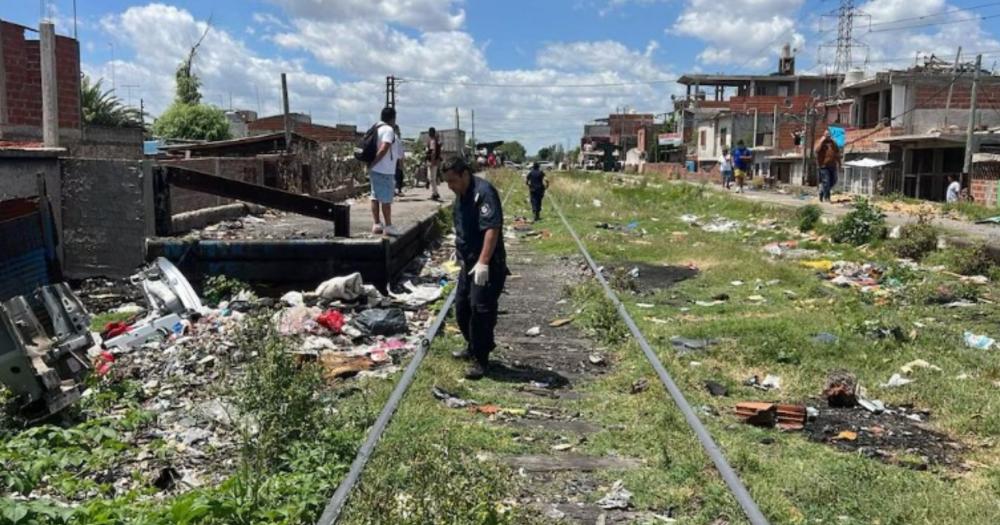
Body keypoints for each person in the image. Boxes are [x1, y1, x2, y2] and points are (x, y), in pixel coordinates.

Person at [443, 156, 509, 380]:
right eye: (447, 183)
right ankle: (474, 346)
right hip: (468, 263)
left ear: (465, 174)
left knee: (480, 310)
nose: (450, 187)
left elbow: (492, 229)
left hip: (487, 264)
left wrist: (483, 262)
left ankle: (481, 360)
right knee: (462, 309)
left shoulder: (484, 193)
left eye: (453, 181)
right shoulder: (460, 196)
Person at [368, 107, 400, 236]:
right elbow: (384, 148)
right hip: (385, 169)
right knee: (386, 199)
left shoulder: (376, 128)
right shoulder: (388, 130)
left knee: (375, 196)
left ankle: (377, 224)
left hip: (374, 169)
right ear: (393, 118)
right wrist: (375, 162)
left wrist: (371, 165)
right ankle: (388, 226)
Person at [815, 129, 841, 202]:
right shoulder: (820, 142)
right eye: (826, 135)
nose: (828, 136)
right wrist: (821, 141)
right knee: (826, 181)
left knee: (834, 181)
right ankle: (827, 198)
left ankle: (822, 191)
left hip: (833, 165)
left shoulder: (833, 143)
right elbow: (816, 151)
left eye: (829, 135)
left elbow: (837, 154)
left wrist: (840, 164)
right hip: (823, 166)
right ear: (824, 135)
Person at [426, 127, 442, 200]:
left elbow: (433, 152)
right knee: (432, 178)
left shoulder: (432, 141)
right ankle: (435, 193)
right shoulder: (435, 140)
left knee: (432, 178)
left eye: (429, 132)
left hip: (433, 162)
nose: (428, 133)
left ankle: (435, 194)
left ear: (431, 133)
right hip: (434, 161)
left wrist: (432, 162)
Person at [393, 124, 405, 196]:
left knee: (394, 175)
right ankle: (397, 190)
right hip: (397, 159)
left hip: (391, 160)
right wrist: (401, 161)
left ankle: (394, 190)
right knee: (399, 175)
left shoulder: (390, 137)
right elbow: (400, 152)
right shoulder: (397, 138)